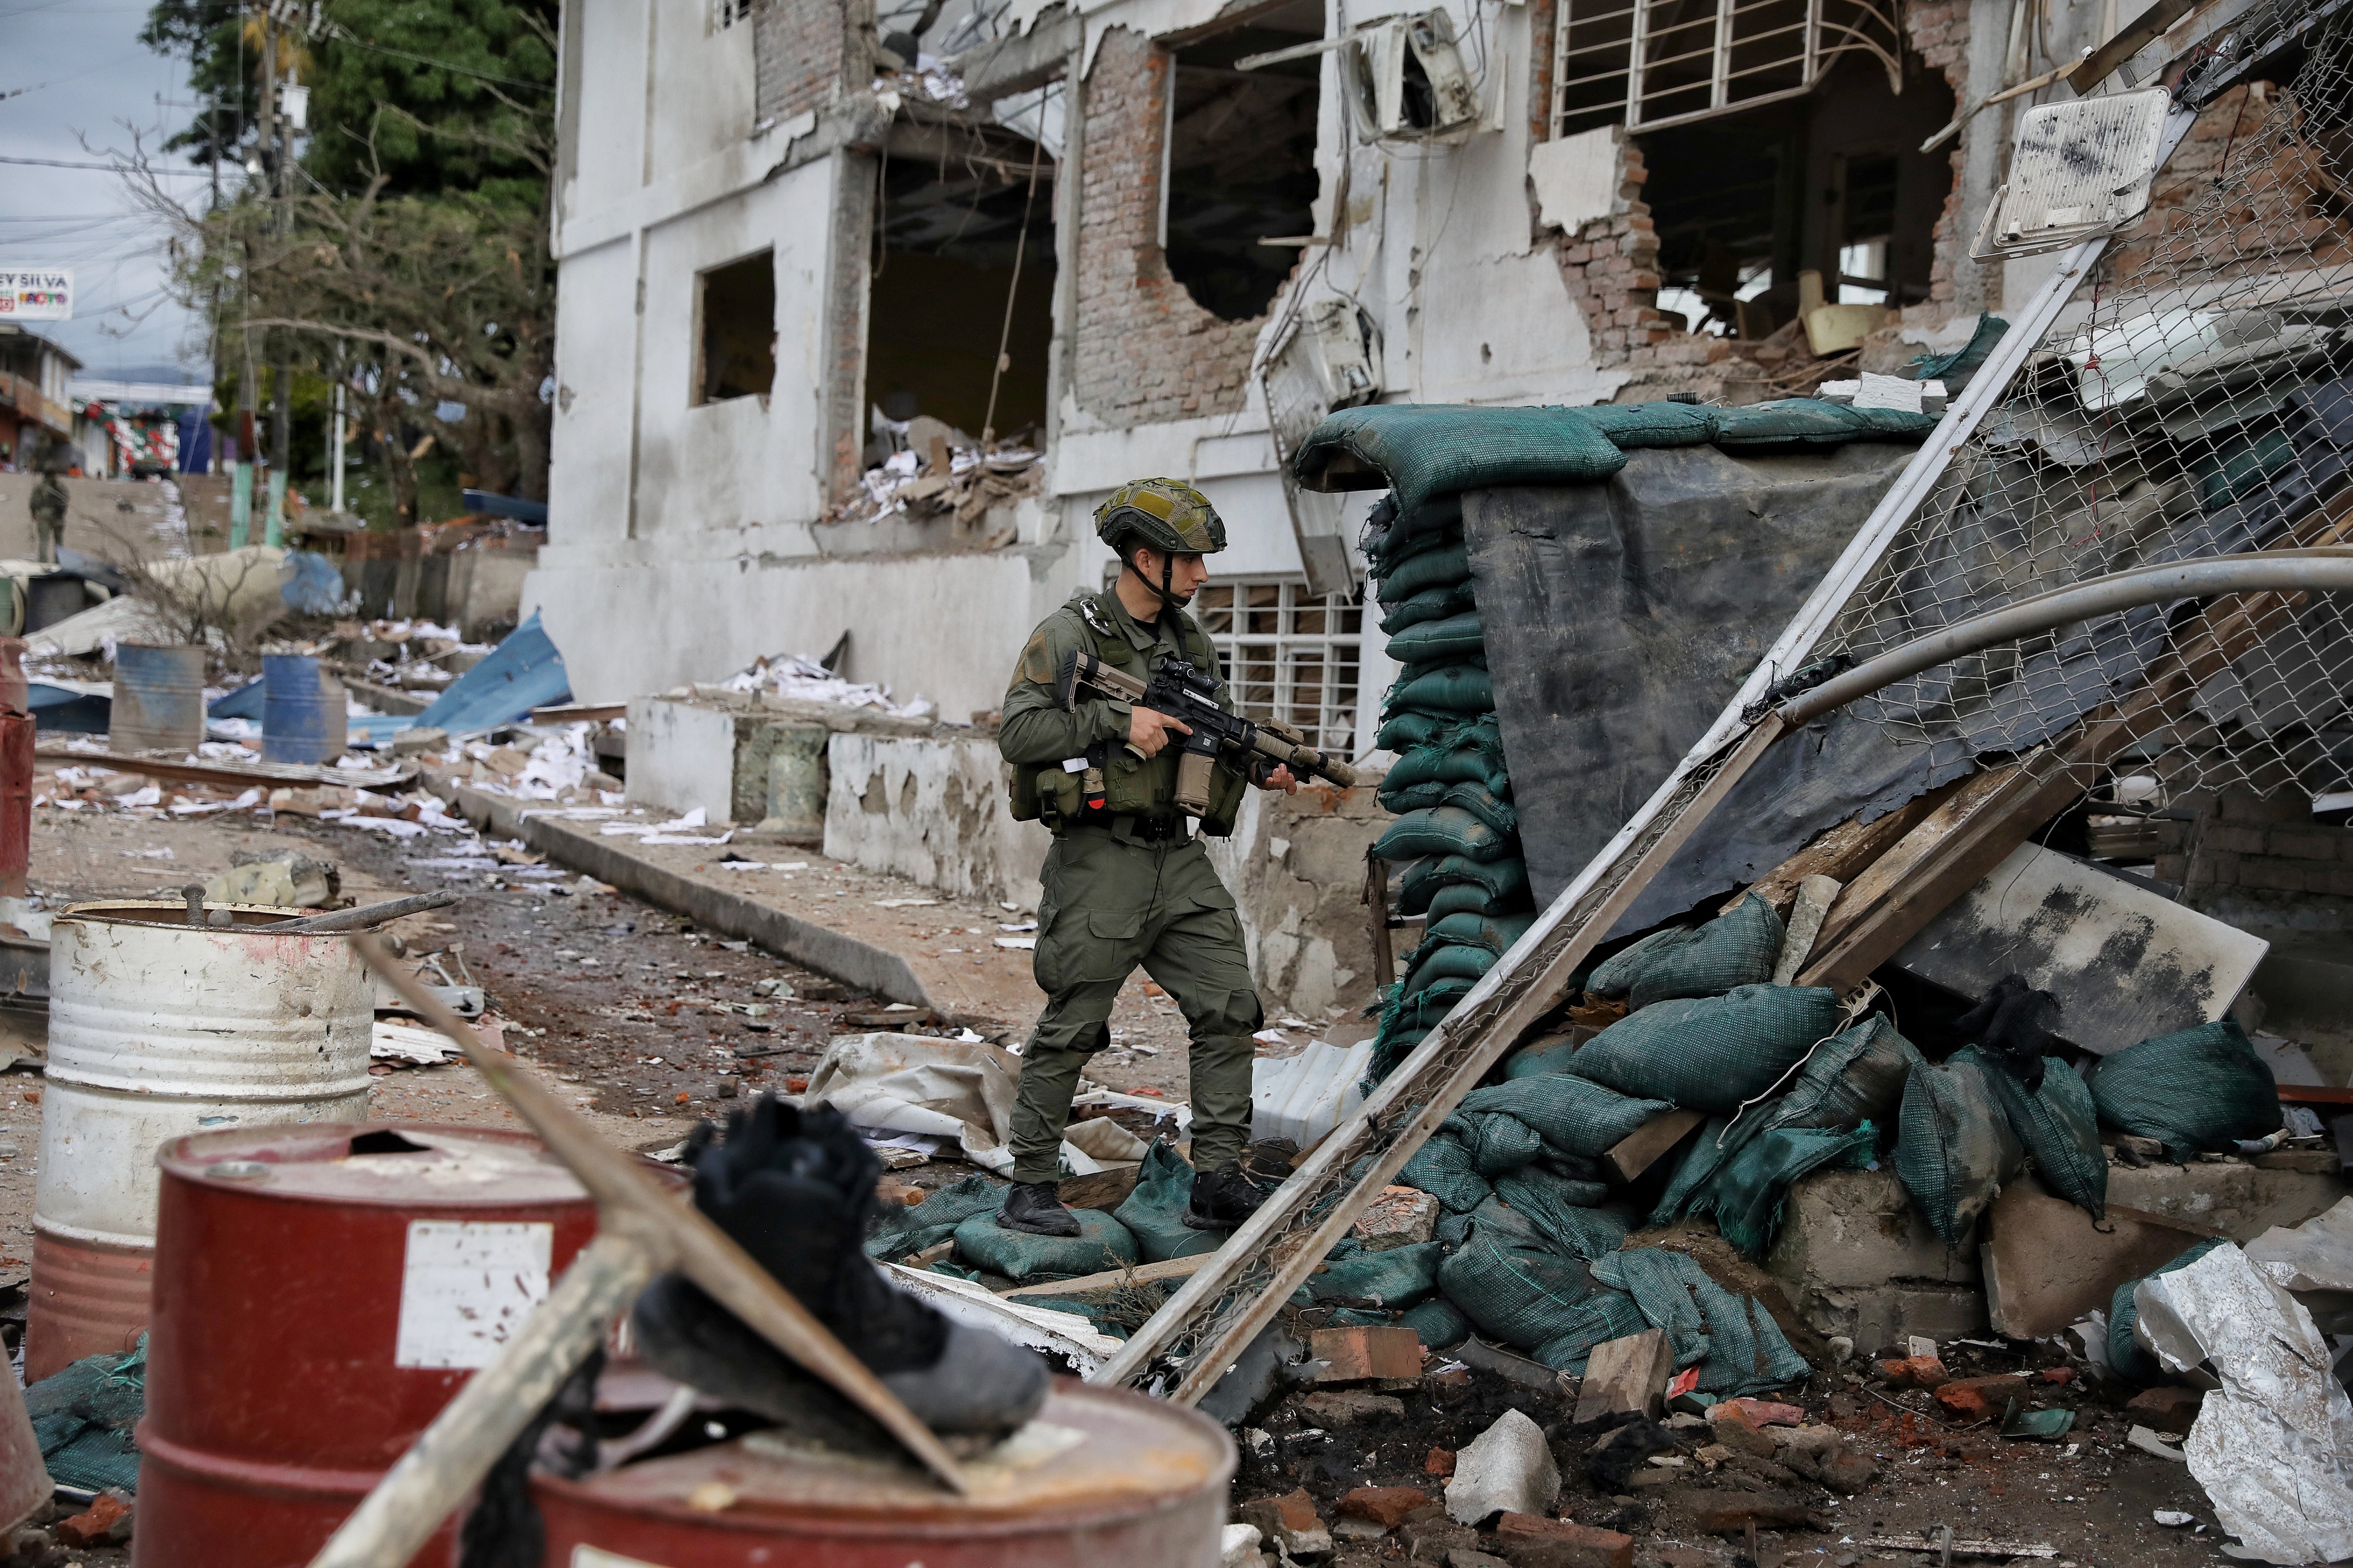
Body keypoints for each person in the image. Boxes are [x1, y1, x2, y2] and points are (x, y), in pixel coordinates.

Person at [993, 477, 1299, 1238]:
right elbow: (1019, 733)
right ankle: (1030, 1184)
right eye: (1190, 561)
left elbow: (1208, 733)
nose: (1202, 576)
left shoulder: (1188, 641)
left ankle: (1217, 1178)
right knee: (1075, 1022)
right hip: (1101, 859)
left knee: (1230, 1005)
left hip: (1179, 857)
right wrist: (1116, 720)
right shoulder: (1070, 634)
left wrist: (1259, 763)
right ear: (1142, 558)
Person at [27, 450, 67, 566]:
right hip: (58, 516)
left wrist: (34, 514)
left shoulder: (40, 486)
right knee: (59, 542)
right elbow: (66, 500)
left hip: (43, 514)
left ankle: (43, 566)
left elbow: (33, 502)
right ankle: (59, 564)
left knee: (44, 541)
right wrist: (62, 512)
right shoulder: (61, 487)